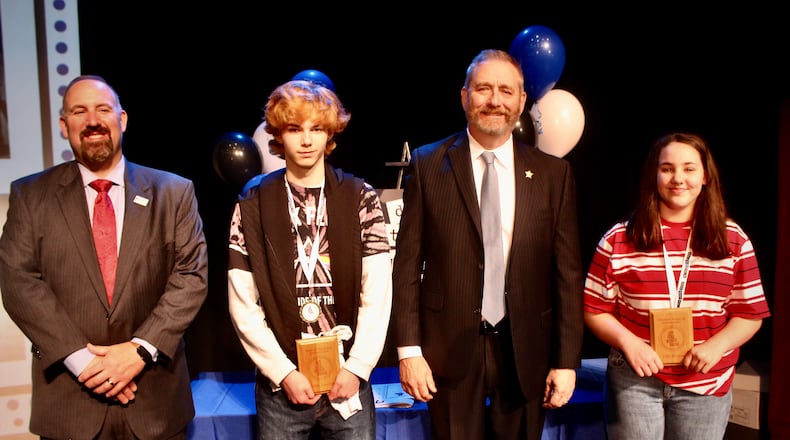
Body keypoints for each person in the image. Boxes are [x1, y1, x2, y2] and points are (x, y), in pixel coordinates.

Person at [0, 75, 208, 439]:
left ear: (122, 119)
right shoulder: (30, 196)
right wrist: (83, 362)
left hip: (155, 403)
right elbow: (19, 283)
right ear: (64, 126)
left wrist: (138, 351)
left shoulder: (174, 192)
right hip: (69, 405)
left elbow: (190, 277)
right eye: (79, 111)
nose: (93, 120)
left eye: (102, 109)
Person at [392, 49, 585, 439]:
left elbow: (566, 275)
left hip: (526, 350)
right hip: (447, 351)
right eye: (483, 89)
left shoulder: (553, 174)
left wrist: (566, 362)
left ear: (522, 102)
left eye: (505, 91)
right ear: (464, 97)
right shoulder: (428, 165)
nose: (495, 100)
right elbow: (407, 266)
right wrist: (409, 351)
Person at [227, 79, 392, 439]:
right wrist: (283, 371)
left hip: (348, 378)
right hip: (281, 385)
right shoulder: (252, 204)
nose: (306, 140)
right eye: (294, 129)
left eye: (316, 129)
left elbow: (377, 292)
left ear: (329, 133)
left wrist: (358, 366)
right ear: (277, 135)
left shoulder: (360, 197)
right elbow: (243, 302)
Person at [583, 132, 771, 439]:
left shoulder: (734, 239)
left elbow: (750, 314)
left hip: (705, 382)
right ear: (654, 175)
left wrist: (717, 345)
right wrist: (629, 343)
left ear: (706, 176)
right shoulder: (619, 238)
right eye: (667, 168)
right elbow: (594, 309)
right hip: (635, 381)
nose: (678, 178)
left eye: (689, 168)